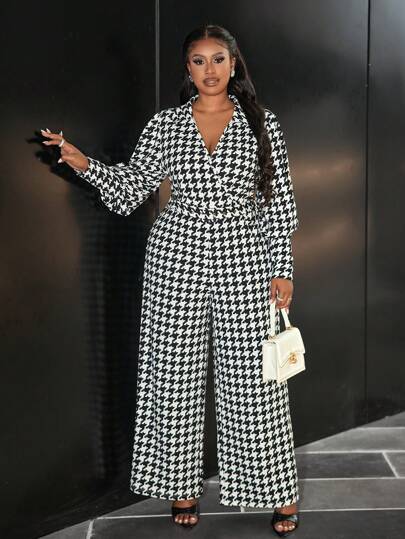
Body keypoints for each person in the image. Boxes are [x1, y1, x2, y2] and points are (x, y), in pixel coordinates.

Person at [41, 24, 300, 537]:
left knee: (255, 379)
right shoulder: (166, 124)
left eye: (218, 59)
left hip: (244, 253)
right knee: (172, 374)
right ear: (187, 68)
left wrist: (282, 266)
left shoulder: (261, 122)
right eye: (199, 61)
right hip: (176, 254)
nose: (210, 70)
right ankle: (180, 485)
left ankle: (277, 490)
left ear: (234, 63)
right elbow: (133, 186)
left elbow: (279, 199)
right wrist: (83, 163)